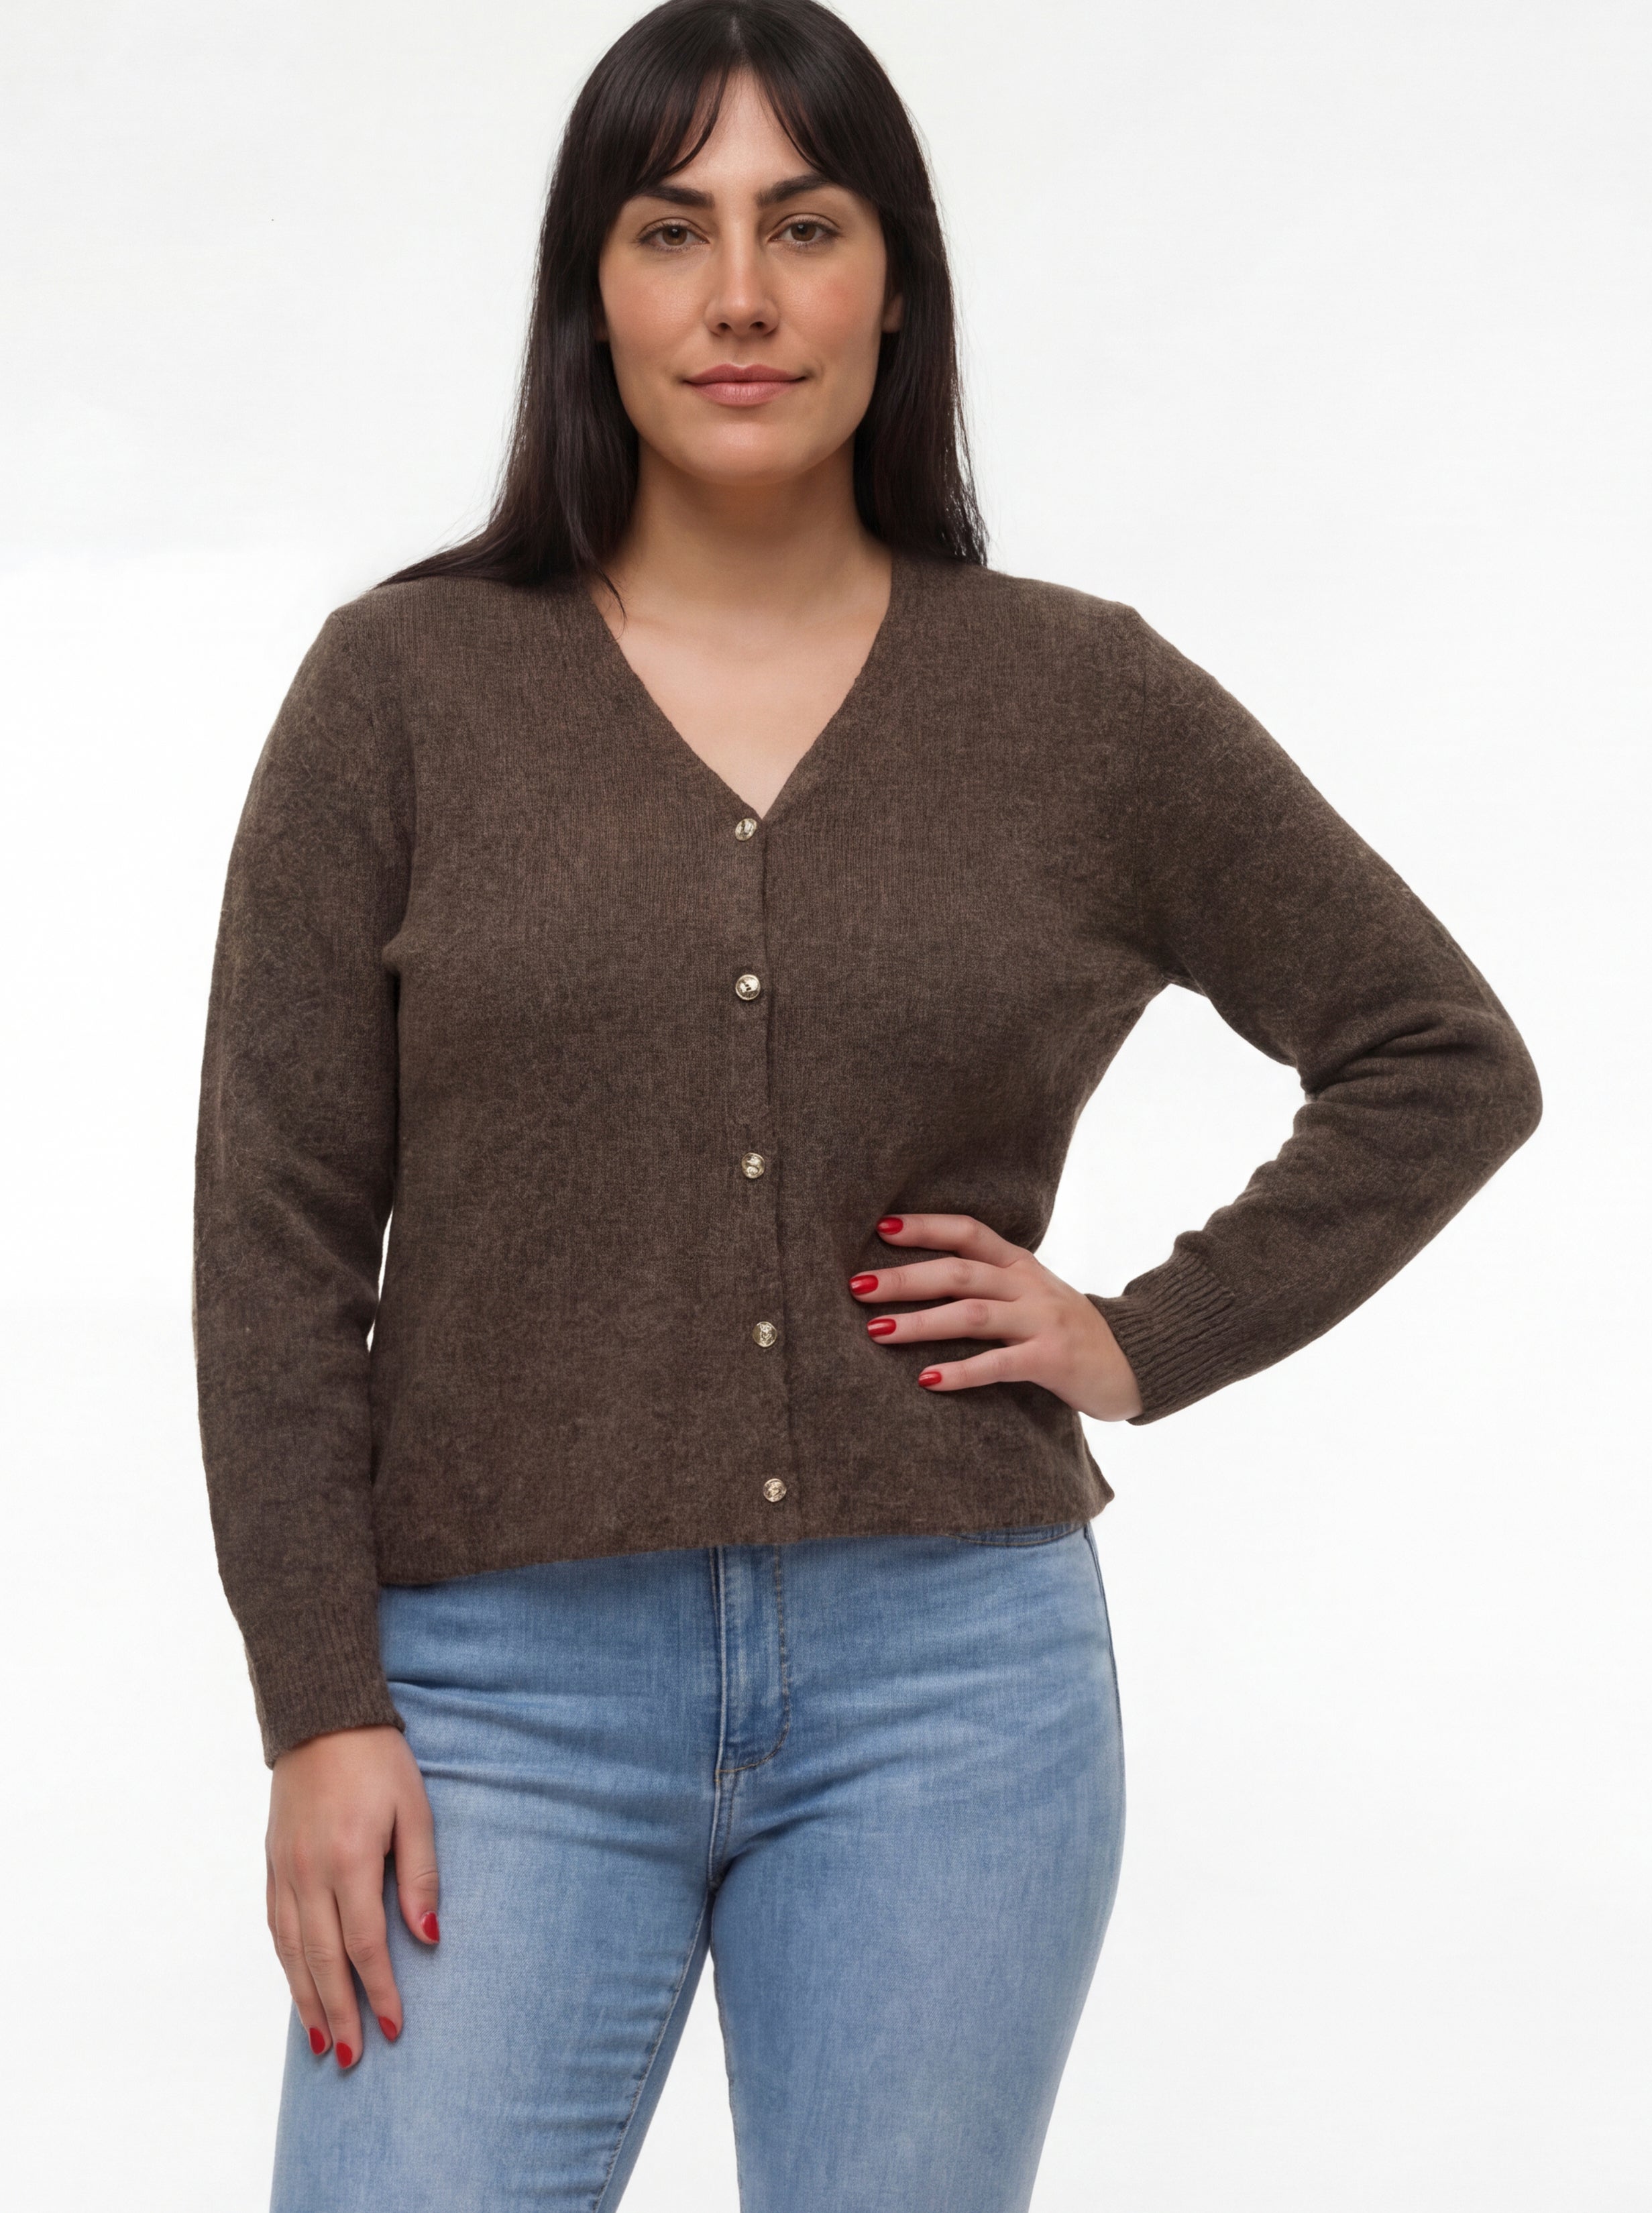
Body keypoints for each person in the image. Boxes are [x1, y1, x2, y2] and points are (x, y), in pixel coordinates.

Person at [190, 3, 1542, 2207]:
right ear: (590, 290)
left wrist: (1142, 1335)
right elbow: (274, 1238)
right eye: (672, 230)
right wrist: (319, 1700)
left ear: (894, 284)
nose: (740, 293)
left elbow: (1440, 1055)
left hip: (954, 1689)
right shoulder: (403, 691)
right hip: (494, 1701)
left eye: (803, 227)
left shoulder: (1076, 699)